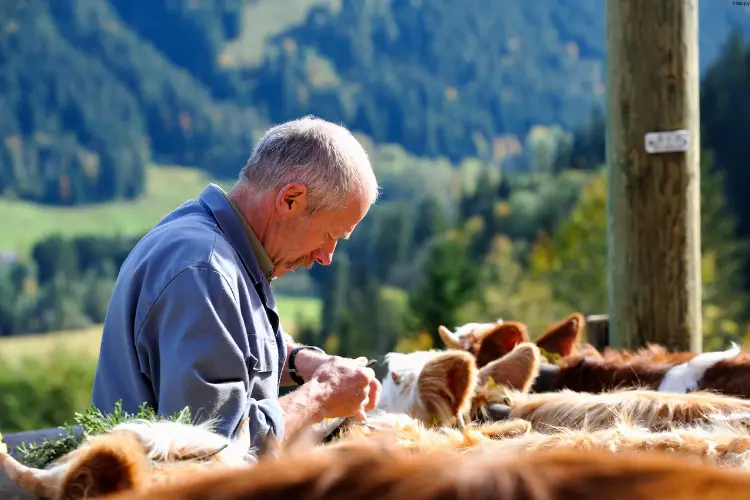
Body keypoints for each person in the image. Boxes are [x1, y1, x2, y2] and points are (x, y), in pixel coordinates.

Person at [91, 116, 382, 450]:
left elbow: (235, 348)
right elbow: (214, 446)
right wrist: (321, 396)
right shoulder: (205, 271)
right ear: (291, 199)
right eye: (331, 235)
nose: (326, 256)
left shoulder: (221, 250)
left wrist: (304, 362)